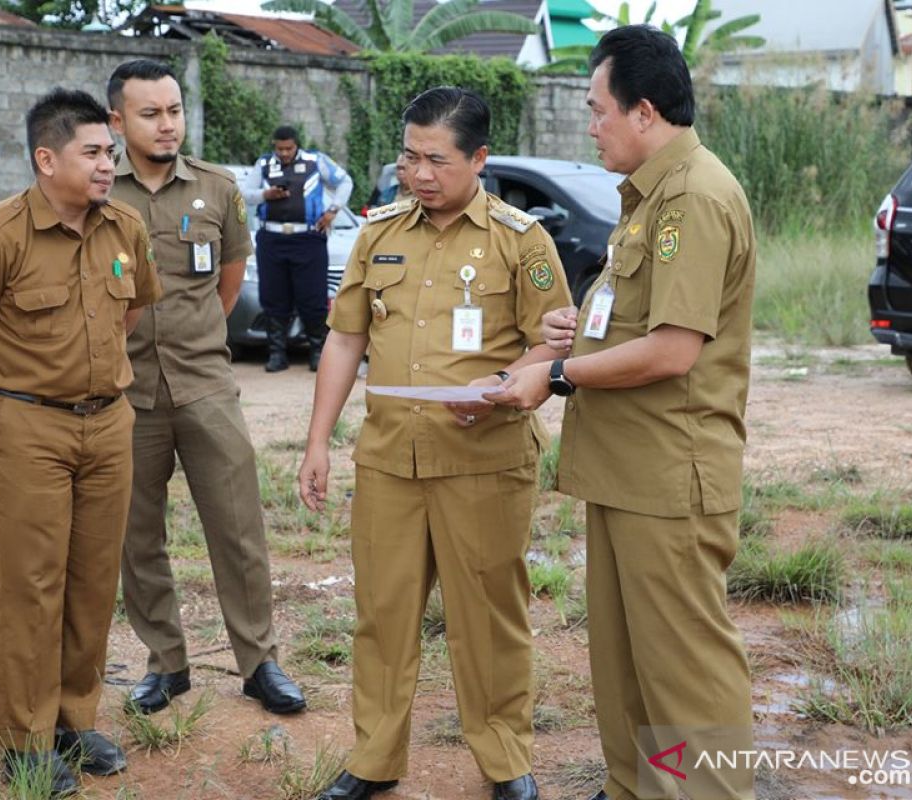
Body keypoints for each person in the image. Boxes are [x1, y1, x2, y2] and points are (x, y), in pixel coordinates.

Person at [488, 26, 757, 800]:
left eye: (596, 109)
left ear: (643, 111)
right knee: (627, 663)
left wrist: (559, 375)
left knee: (686, 676)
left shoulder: (695, 199)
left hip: (670, 475)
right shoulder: (650, 199)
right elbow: (642, 323)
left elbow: (674, 350)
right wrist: (577, 329)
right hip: (625, 472)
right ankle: (637, 787)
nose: (590, 124)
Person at [299, 86, 573, 800]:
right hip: (390, 458)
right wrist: (317, 442)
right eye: (409, 156)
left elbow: (556, 344)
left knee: (488, 618)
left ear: (479, 159)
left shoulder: (521, 239)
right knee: (382, 616)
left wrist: (507, 383)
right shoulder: (379, 232)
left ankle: (505, 758)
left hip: (484, 462)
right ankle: (374, 759)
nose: (418, 173)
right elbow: (345, 337)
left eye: (437, 160)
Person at [0, 88, 162, 798]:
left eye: (109, 152)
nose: (106, 165)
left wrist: (86, 385)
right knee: (32, 587)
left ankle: (71, 719)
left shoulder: (124, 228)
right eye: (91, 152)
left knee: (93, 582)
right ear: (45, 158)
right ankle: (25, 742)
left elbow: (130, 314)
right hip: (27, 426)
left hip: (109, 423)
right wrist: (11, 402)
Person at [105, 59, 304, 718]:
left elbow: (229, 277)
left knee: (238, 528)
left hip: (205, 385)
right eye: (150, 113)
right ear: (117, 121)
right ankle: (166, 663)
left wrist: (194, 342)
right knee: (137, 535)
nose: (167, 125)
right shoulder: (100, 194)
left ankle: (258, 661)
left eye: (174, 110)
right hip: (127, 393)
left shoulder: (217, 189)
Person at [242, 125, 353, 373]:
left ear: (297, 145)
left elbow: (345, 181)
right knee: (273, 297)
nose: (284, 153)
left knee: (312, 296)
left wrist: (333, 210)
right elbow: (245, 194)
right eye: (279, 148)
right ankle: (277, 353)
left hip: (308, 237)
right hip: (272, 237)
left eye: (288, 148)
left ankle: (317, 351)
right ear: (274, 145)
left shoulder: (316, 161)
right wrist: (265, 194)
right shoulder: (263, 164)